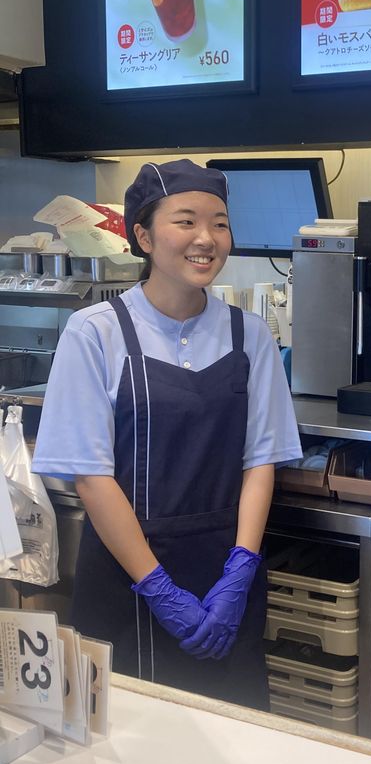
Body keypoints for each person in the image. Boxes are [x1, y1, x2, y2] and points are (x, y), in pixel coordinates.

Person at [33, 159, 301, 709]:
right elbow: (91, 477)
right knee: (127, 751)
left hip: (225, 572)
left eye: (220, 223)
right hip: (126, 579)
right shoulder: (96, 332)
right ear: (142, 235)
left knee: (236, 744)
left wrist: (240, 571)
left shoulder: (250, 336)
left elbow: (261, 462)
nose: (206, 239)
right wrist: (157, 587)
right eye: (186, 221)